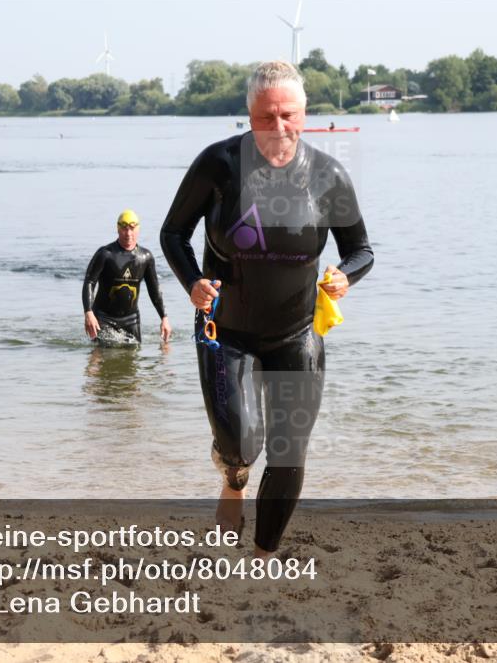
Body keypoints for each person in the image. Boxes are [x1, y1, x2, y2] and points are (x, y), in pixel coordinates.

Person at [161, 61, 374, 556]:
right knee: (241, 445)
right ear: (249, 115)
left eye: (289, 115)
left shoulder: (328, 176)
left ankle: (263, 555)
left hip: (297, 333)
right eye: (266, 116)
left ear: (304, 113)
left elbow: (361, 248)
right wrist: (192, 281)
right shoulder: (218, 165)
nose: (279, 127)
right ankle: (233, 478)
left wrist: (347, 275)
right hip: (224, 330)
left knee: (288, 451)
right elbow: (174, 233)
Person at [83, 210, 172, 344]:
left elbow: (154, 290)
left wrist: (164, 318)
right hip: (103, 317)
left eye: (132, 228)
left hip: (131, 319)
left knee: (133, 358)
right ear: (118, 229)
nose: (128, 233)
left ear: (138, 229)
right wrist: (89, 312)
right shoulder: (105, 254)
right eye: (124, 228)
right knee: (105, 354)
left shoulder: (145, 257)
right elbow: (89, 283)